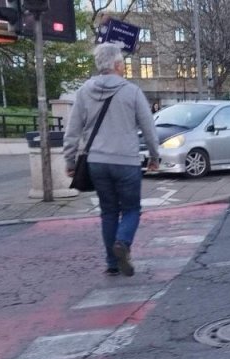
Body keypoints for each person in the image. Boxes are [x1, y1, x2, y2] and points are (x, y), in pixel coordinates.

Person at [64, 43, 160, 277]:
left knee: (108, 211)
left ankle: (112, 263)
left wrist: (70, 161)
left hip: (96, 161)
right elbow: (149, 128)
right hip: (126, 161)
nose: (124, 68)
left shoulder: (84, 91)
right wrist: (154, 156)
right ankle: (123, 242)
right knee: (131, 209)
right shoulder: (132, 91)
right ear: (117, 65)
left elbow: (72, 129)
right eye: (123, 64)